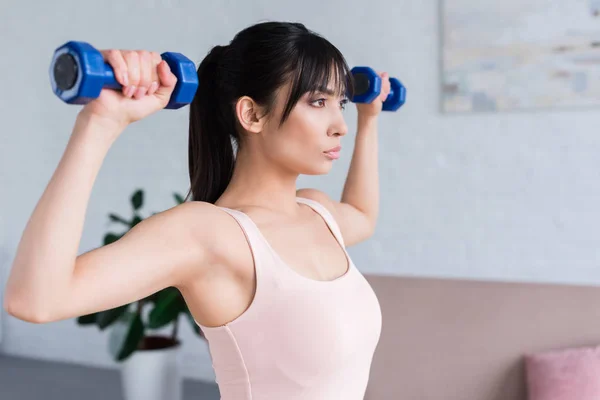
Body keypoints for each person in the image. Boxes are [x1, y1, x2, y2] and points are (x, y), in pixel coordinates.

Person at [4, 21, 390, 399]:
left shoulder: (318, 212)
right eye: (318, 102)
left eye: (341, 103)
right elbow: (35, 300)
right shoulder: (208, 234)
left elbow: (361, 214)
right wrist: (100, 122)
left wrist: (369, 119)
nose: (341, 125)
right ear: (252, 114)